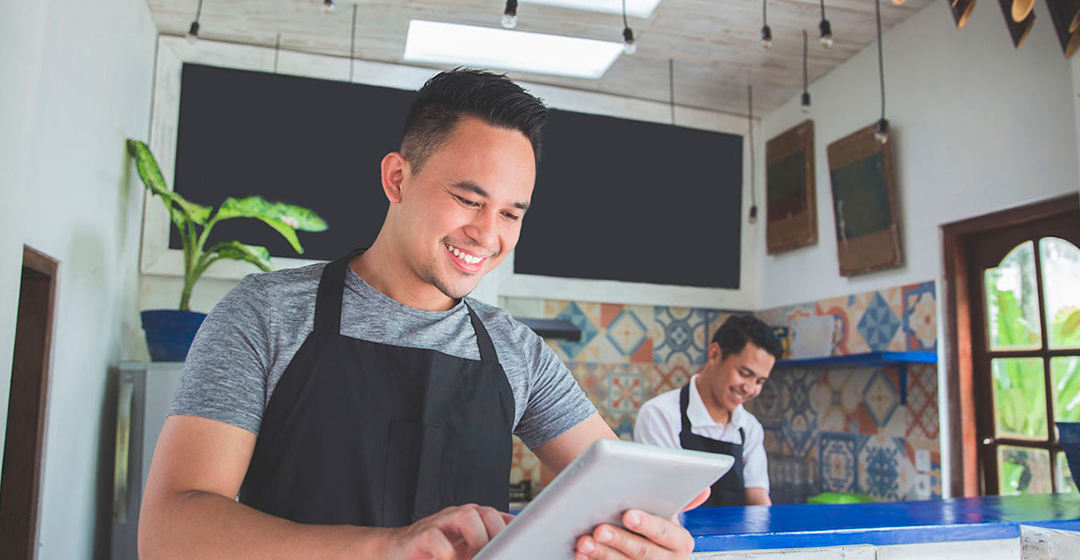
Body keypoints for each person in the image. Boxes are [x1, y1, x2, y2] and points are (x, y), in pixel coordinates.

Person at [138, 69, 705, 560]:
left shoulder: (519, 352)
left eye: (511, 213)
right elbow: (168, 533)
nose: (488, 235)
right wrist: (387, 548)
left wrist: (648, 531)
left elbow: (619, 492)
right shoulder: (265, 313)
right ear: (397, 178)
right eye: (468, 199)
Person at [634, 314, 783, 506]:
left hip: (738, 536)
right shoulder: (660, 415)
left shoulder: (749, 427)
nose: (750, 388)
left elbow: (758, 499)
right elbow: (663, 500)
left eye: (760, 382)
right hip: (678, 533)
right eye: (744, 374)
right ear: (714, 354)